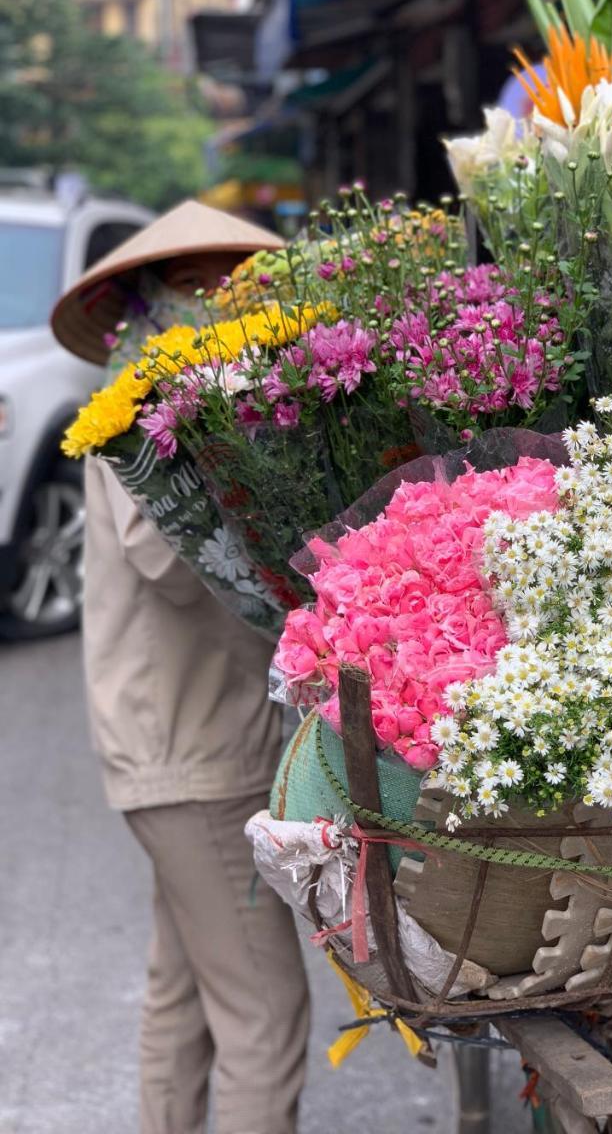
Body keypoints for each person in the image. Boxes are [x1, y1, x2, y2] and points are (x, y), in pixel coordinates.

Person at [51, 201, 311, 1134]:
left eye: (239, 283)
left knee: (188, 991)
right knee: (264, 1013)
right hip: (190, 756)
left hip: (185, 748)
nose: (226, 301)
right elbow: (168, 563)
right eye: (205, 284)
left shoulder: (170, 389)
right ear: (162, 293)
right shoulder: (144, 398)